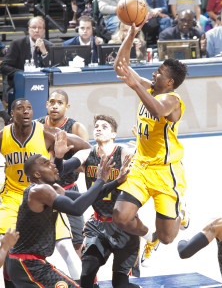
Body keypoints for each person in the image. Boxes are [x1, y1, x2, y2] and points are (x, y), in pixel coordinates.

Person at [112, 20, 189, 267]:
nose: (154, 73)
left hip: (166, 173)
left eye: (159, 72)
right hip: (141, 168)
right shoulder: (151, 88)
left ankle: (180, 213)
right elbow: (120, 67)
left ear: (170, 82)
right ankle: (148, 235)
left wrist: (135, 85)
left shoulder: (173, 100)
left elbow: (157, 110)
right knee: (120, 217)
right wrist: (130, 35)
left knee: (169, 238)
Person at [5, 146, 131, 287]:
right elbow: (76, 209)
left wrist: (117, 181)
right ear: (37, 174)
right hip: (26, 264)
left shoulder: (53, 189)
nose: (53, 165)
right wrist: (100, 179)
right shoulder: (38, 190)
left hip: (29, 263)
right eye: (47, 164)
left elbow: (86, 198)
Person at [0, 98, 90, 286]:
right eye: (20, 108)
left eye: (29, 108)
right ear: (12, 113)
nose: (26, 111)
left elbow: (85, 147)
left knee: (66, 246)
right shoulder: (3, 135)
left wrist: (65, 166)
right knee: (7, 246)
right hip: (13, 196)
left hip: (42, 196)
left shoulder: (47, 132)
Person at [66, 114, 140, 288]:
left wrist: (143, 145)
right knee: (86, 274)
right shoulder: (86, 154)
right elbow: (65, 167)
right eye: (96, 126)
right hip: (97, 225)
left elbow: (147, 162)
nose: (98, 128)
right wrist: (59, 157)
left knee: (120, 284)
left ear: (114, 134)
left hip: (124, 227)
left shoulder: (124, 153)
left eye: (104, 126)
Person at [38, 90, 89, 275]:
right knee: (34, 241)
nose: (54, 106)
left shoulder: (76, 128)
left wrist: (60, 164)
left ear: (67, 107)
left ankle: (86, 281)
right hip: (42, 192)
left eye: (59, 103)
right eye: (51, 102)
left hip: (68, 190)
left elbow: (87, 163)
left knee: (76, 242)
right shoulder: (37, 126)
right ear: (46, 104)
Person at [0, 17, 53, 104]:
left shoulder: (49, 46)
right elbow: (4, 66)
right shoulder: (17, 44)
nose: (37, 30)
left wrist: (44, 53)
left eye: (40, 28)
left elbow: (53, 69)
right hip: (18, 85)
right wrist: (24, 73)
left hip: (41, 85)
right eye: (34, 27)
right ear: (29, 29)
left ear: (43, 30)